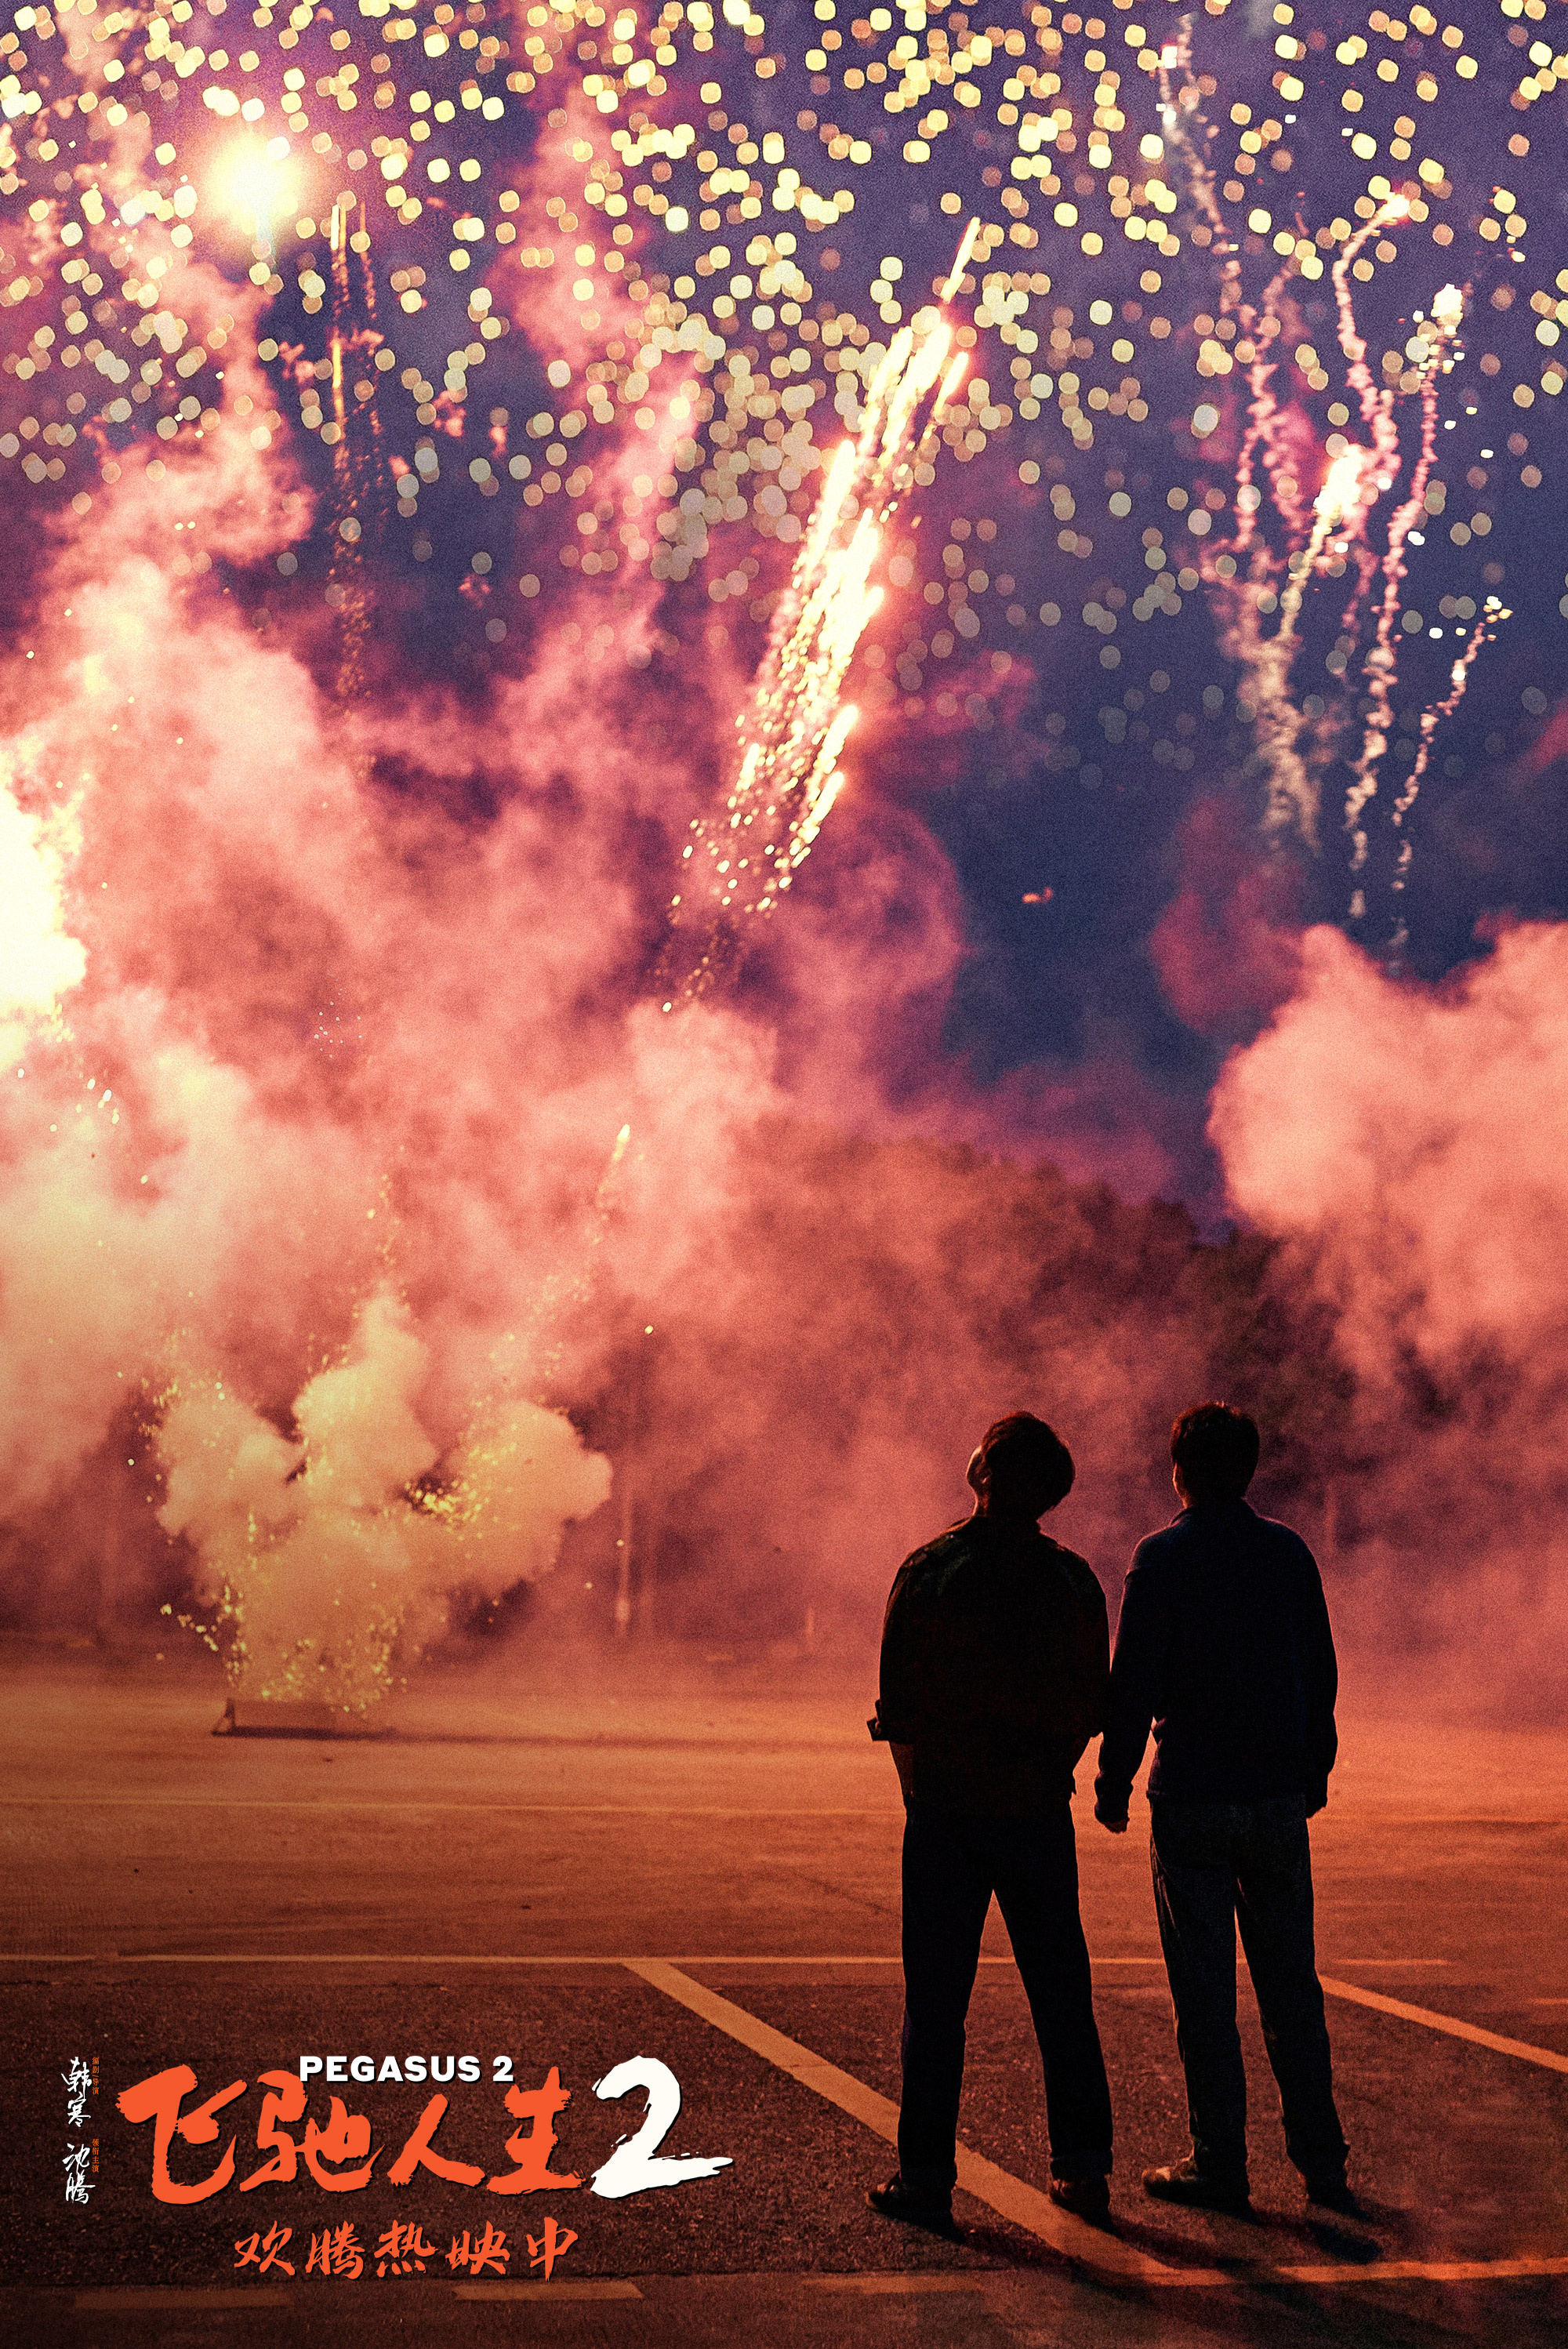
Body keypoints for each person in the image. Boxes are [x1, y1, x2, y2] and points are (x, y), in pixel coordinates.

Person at [1094, 1401, 1351, 2213]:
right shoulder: (1285, 1553)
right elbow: (1320, 1669)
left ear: (1177, 1469)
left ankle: (1219, 2161)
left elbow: (1132, 1681)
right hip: (1275, 1794)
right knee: (1289, 1987)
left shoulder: (1159, 1557)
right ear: (1247, 1469)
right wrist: (1311, 1769)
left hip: (1193, 1794)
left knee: (1204, 1992)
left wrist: (1112, 1778)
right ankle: (1321, 2161)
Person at [866, 1412, 1115, 2235]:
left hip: (943, 1813)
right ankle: (1080, 2167)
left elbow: (897, 1711)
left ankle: (925, 2174)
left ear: (978, 1470)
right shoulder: (1073, 1580)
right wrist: (1046, 1772)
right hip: (1037, 1811)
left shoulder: (930, 1569)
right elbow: (1089, 1705)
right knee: (1060, 1993)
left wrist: (922, 1795)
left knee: (935, 2001)